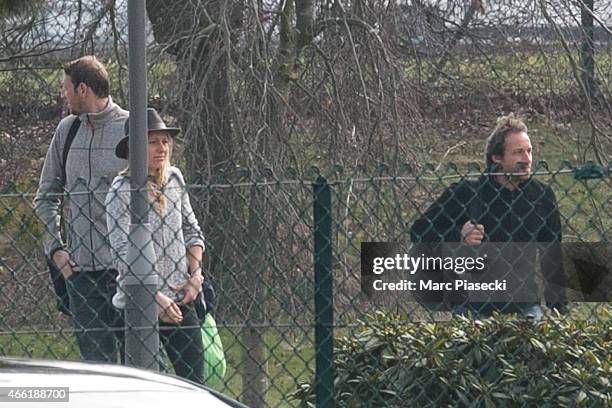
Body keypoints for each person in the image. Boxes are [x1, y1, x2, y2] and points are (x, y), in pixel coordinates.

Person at [410, 113, 567, 320]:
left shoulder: (541, 196)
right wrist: (458, 235)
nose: (527, 159)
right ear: (497, 157)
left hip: (524, 306)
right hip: (472, 306)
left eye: (529, 151)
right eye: (518, 152)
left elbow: (552, 255)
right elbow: (419, 232)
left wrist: (558, 309)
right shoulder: (467, 193)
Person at [34, 55, 128, 362]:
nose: (63, 94)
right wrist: (56, 252)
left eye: (66, 88)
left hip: (128, 273)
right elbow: (46, 196)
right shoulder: (67, 131)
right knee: (98, 374)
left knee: (141, 370)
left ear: (83, 89)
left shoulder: (132, 127)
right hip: (82, 277)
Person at [105, 108, 205, 384]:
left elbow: (192, 230)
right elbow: (122, 256)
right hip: (139, 304)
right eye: (152, 141)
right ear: (135, 147)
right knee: (145, 390)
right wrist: (155, 299)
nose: (161, 148)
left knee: (196, 384)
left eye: (164, 141)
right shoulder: (120, 190)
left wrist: (195, 277)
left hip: (181, 298)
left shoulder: (175, 178)